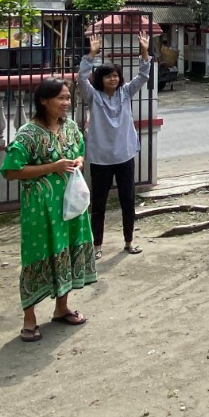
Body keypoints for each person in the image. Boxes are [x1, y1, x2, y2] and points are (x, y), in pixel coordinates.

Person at [0, 78, 95, 342]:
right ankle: (29, 318)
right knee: (36, 256)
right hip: (40, 208)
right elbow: (10, 171)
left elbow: (80, 150)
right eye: (61, 99)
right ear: (43, 100)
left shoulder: (71, 127)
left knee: (65, 249)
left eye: (68, 98)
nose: (66, 103)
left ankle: (61, 307)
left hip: (69, 203)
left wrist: (78, 160)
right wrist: (51, 167)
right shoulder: (28, 133)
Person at [78, 31, 152, 255]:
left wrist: (145, 51)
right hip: (101, 158)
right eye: (108, 76)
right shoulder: (93, 97)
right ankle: (97, 245)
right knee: (98, 204)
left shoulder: (126, 93)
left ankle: (129, 241)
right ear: (100, 79)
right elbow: (81, 79)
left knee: (127, 201)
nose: (113, 79)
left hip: (124, 156)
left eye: (115, 75)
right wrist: (91, 55)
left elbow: (143, 76)